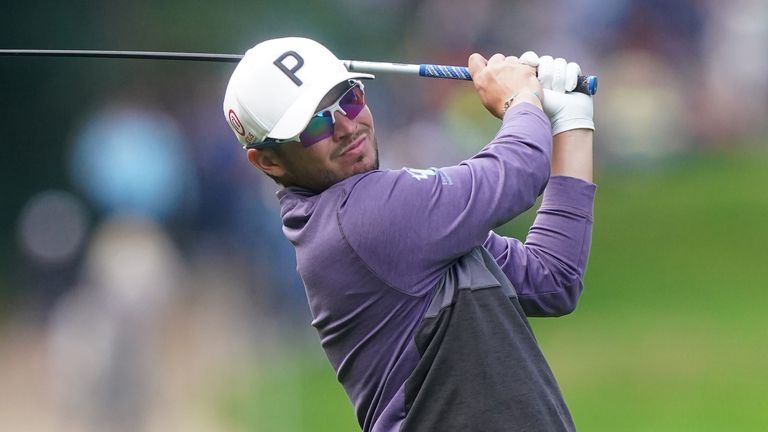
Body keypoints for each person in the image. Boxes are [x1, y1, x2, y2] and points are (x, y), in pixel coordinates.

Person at [223, 37, 595, 432]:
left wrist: (571, 122)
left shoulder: (409, 230)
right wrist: (520, 99)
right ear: (268, 161)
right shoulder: (362, 219)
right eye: (316, 124)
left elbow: (552, 279)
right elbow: (519, 170)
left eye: (349, 99)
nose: (347, 126)